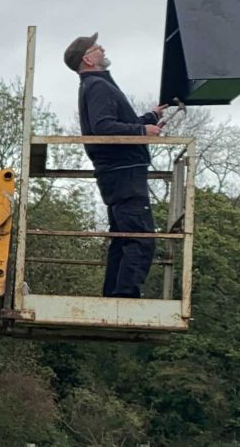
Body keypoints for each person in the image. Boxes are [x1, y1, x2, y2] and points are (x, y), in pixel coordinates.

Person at [64, 33, 165, 298]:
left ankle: (115, 293)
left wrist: (150, 117)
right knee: (140, 238)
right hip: (124, 173)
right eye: (97, 47)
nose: (102, 48)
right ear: (88, 59)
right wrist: (143, 130)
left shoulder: (94, 85)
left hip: (117, 173)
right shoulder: (98, 86)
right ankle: (125, 297)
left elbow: (115, 123)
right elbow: (104, 127)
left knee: (123, 238)